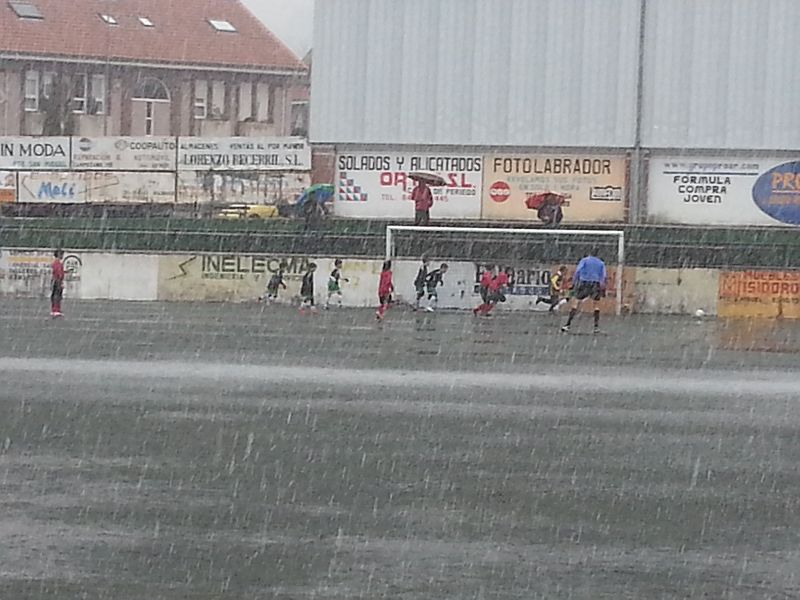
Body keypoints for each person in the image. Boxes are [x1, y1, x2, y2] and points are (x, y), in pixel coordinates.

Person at [561, 249, 607, 334]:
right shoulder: (601, 263)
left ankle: (567, 325)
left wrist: (574, 282)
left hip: (584, 282)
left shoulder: (585, 260)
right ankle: (596, 327)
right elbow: (603, 276)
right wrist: (602, 286)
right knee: (596, 305)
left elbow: (578, 271)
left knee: (576, 303)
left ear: (589, 253)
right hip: (595, 283)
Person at [50, 249, 65, 318]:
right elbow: (59, 273)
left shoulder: (54, 263)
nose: (62, 256)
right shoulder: (58, 263)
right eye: (61, 254)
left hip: (55, 280)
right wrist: (60, 281)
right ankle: (57, 310)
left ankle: (54, 310)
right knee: (58, 295)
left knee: (54, 295)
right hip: (58, 281)